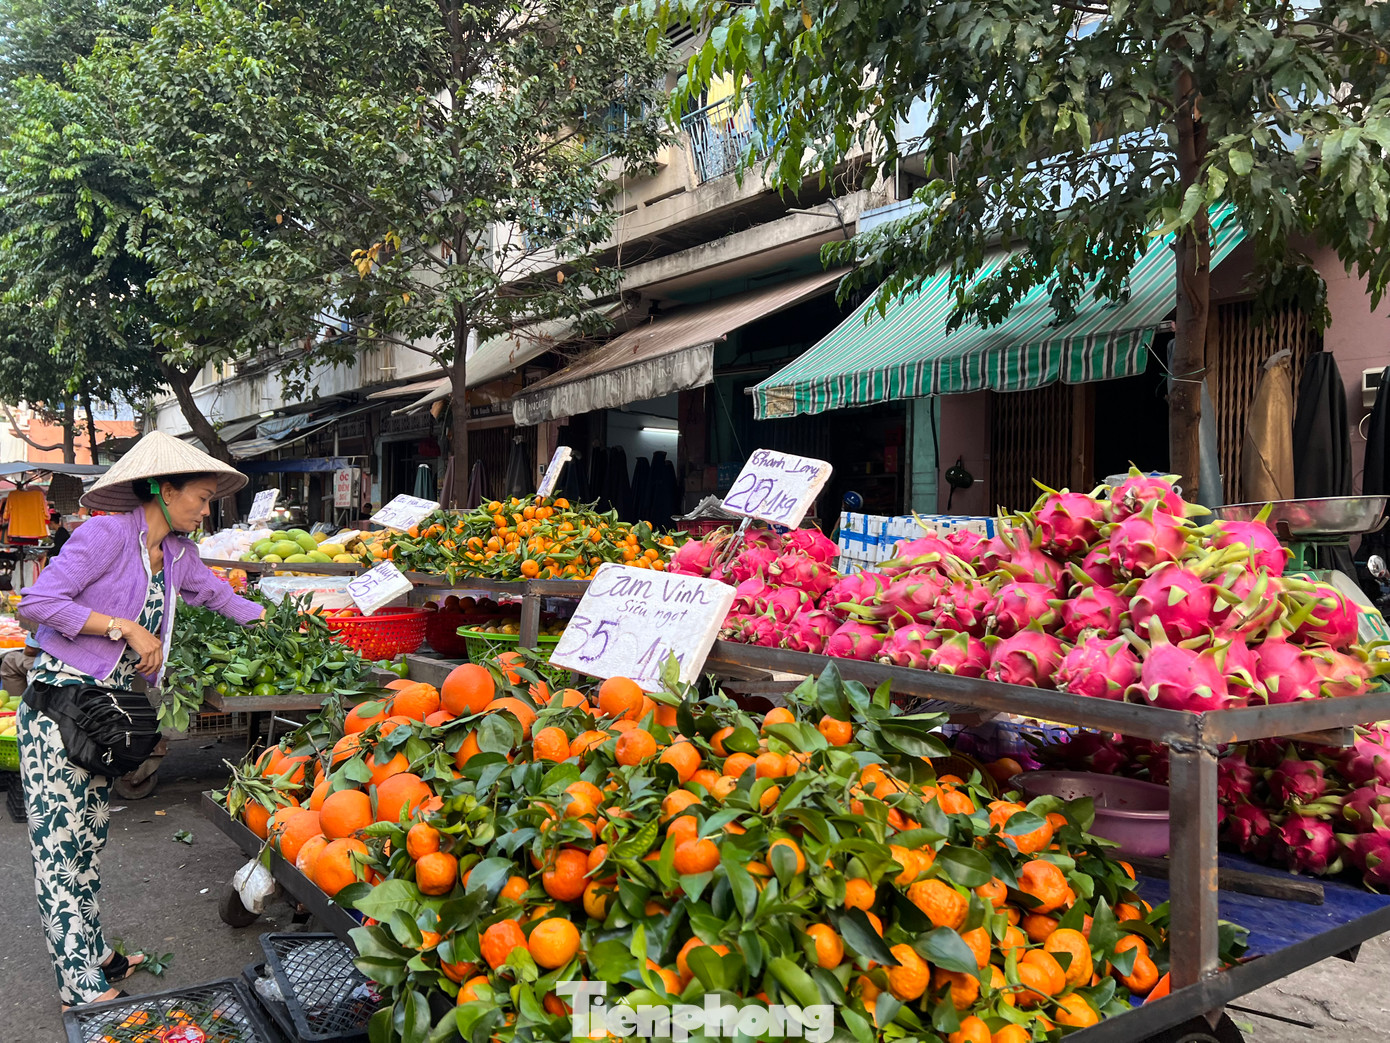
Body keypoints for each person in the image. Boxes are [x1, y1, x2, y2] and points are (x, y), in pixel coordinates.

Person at [16, 431, 265, 1010]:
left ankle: (94, 952)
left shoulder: (178, 554)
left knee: (89, 841)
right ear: (164, 488)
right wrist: (122, 626)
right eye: (201, 498)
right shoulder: (106, 534)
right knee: (59, 850)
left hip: (107, 717)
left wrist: (293, 621)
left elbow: (222, 601)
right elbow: (36, 603)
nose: (206, 511)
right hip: (61, 711)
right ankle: (79, 989)